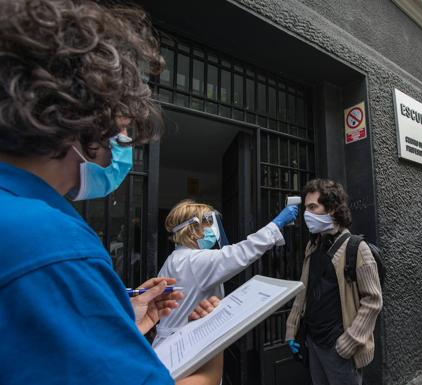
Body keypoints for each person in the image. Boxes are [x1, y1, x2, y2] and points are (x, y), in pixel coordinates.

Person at [0, 1, 193, 383]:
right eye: (119, 131)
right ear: (84, 120)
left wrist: (121, 316)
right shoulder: (48, 241)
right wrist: (209, 367)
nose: (120, 145)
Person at [153, 199, 297, 384]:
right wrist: (276, 224)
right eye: (209, 223)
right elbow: (241, 252)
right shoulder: (195, 261)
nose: (213, 230)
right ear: (193, 230)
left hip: (170, 348)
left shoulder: (176, 258)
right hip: (187, 353)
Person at [285, 179, 382, 385]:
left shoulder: (357, 248)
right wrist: (292, 329)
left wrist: (349, 342)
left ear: (331, 209)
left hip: (340, 349)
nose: (306, 214)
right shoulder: (313, 246)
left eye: (313, 207)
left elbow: (373, 300)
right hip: (314, 343)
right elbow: (304, 291)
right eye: (305, 208)